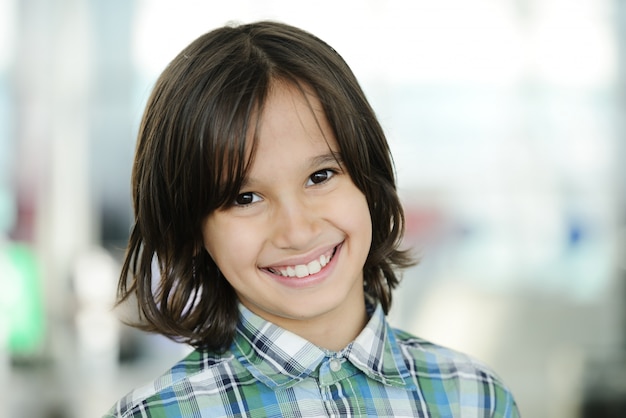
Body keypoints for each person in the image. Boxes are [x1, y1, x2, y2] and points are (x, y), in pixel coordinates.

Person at [105, 21, 520, 417]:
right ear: (191, 229)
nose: (297, 230)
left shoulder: (476, 398)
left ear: (368, 179)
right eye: (245, 198)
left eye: (320, 176)